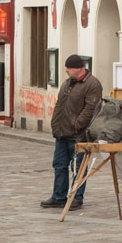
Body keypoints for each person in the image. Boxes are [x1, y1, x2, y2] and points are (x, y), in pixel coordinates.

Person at [42, 54, 102, 209]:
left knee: (78, 167)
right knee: (59, 165)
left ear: (79, 69)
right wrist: (55, 124)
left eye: (69, 68)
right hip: (62, 132)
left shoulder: (92, 84)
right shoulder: (67, 83)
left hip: (78, 135)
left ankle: (76, 197)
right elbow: (59, 105)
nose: (66, 71)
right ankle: (59, 196)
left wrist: (77, 125)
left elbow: (90, 109)